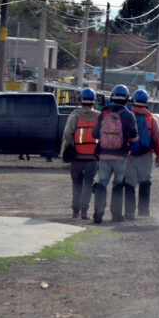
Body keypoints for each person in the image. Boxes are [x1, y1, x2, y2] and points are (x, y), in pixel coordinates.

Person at [91, 84, 138, 224]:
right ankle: (116, 215)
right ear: (127, 99)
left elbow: (94, 134)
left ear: (111, 97)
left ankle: (98, 211)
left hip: (104, 155)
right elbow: (135, 138)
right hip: (121, 156)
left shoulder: (104, 113)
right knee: (118, 184)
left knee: (102, 183)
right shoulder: (129, 115)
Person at [61, 88, 100, 220]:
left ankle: (75, 212)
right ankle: (84, 212)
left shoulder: (75, 115)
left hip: (77, 157)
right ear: (94, 102)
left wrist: (68, 149)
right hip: (93, 158)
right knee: (88, 184)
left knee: (76, 184)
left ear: (80, 101)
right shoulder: (99, 117)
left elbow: (67, 133)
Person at [123, 89, 159, 219]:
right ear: (146, 102)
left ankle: (129, 212)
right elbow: (157, 139)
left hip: (129, 155)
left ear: (133, 101)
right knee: (145, 182)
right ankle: (144, 210)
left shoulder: (127, 115)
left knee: (129, 184)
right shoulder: (152, 119)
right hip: (146, 155)